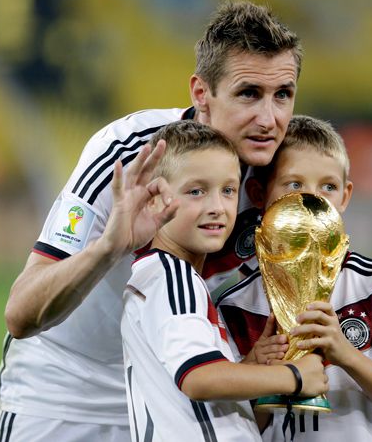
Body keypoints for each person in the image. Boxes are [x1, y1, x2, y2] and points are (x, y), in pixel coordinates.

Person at [0, 0, 302, 442]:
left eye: (283, 95)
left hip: (186, 387)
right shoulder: (130, 152)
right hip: (66, 392)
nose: (269, 119)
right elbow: (21, 313)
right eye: (248, 93)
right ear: (201, 94)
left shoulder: (289, 171)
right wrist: (109, 248)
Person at [216, 115, 372, 441]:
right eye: (294, 185)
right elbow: (233, 429)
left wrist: (344, 353)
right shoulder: (233, 305)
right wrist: (262, 373)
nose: (312, 199)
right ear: (259, 194)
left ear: (345, 196)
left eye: (327, 187)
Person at [121, 120, 328, 441]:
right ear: (155, 198)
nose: (217, 207)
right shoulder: (172, 277)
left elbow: (196, 390)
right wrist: (293, 376)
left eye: (228, 190)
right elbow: (198, 379)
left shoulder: (172, 276)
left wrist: (250, 365)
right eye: (196, 191)